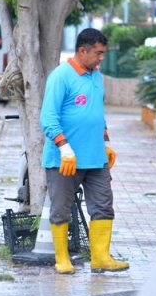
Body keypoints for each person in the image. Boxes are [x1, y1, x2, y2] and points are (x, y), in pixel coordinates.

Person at [39, 28, 128, 275]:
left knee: (103, 206)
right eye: (98, 53)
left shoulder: (96, 77)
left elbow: (97, 116)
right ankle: (62, 259)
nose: (101, 58)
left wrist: (106, 143)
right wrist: (64, 147)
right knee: (61, 209)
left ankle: (100, 258)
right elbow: (47, 117)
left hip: (95, 160)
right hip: (64, 160)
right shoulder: (61, 77)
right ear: (82, 50)